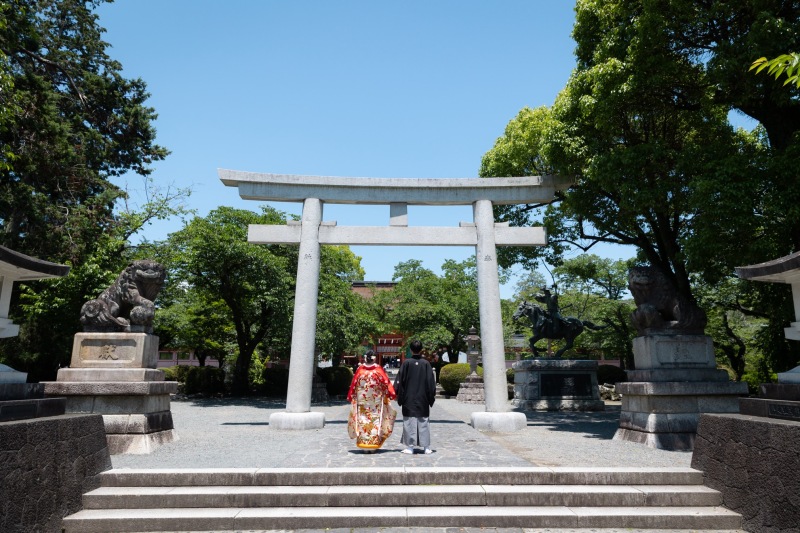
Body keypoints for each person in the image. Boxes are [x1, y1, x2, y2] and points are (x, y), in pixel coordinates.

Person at [346, 350, 397, 453]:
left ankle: (364, 444)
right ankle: (373, 445)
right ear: (374, 358)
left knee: (363, 420)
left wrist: (351, 396)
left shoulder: (360, 370)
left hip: (362, 401)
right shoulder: (378, 370)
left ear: (365, 358)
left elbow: (354, 383)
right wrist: (391, 394)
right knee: (375, 421)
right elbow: (386, 382)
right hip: (375, 401)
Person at [393, 339, 437, 455]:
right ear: (421, 349)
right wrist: (431, 396)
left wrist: (397, 393)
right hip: (423, 397)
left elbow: (399, 381)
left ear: (411, 350)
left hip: (409, 397)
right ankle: (426, 447)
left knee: (409, 421)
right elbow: (431, 382)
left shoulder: (406, 363)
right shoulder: (426, 364)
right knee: (423, 421)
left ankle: (410, 447)